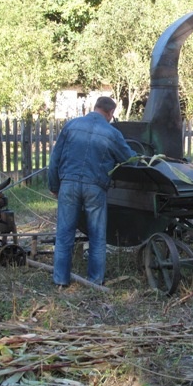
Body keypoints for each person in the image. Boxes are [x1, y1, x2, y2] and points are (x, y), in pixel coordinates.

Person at [48, 96, 136, 287]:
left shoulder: (71, 126)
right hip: (95, 187)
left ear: (94, 107)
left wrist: (54, 186)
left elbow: (54, 159)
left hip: (69, 185)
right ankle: (95, 281)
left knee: (64, 233)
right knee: (97, 235)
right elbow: (130, 160)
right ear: (111, 113)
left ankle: (60, 280)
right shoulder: (112, 133)